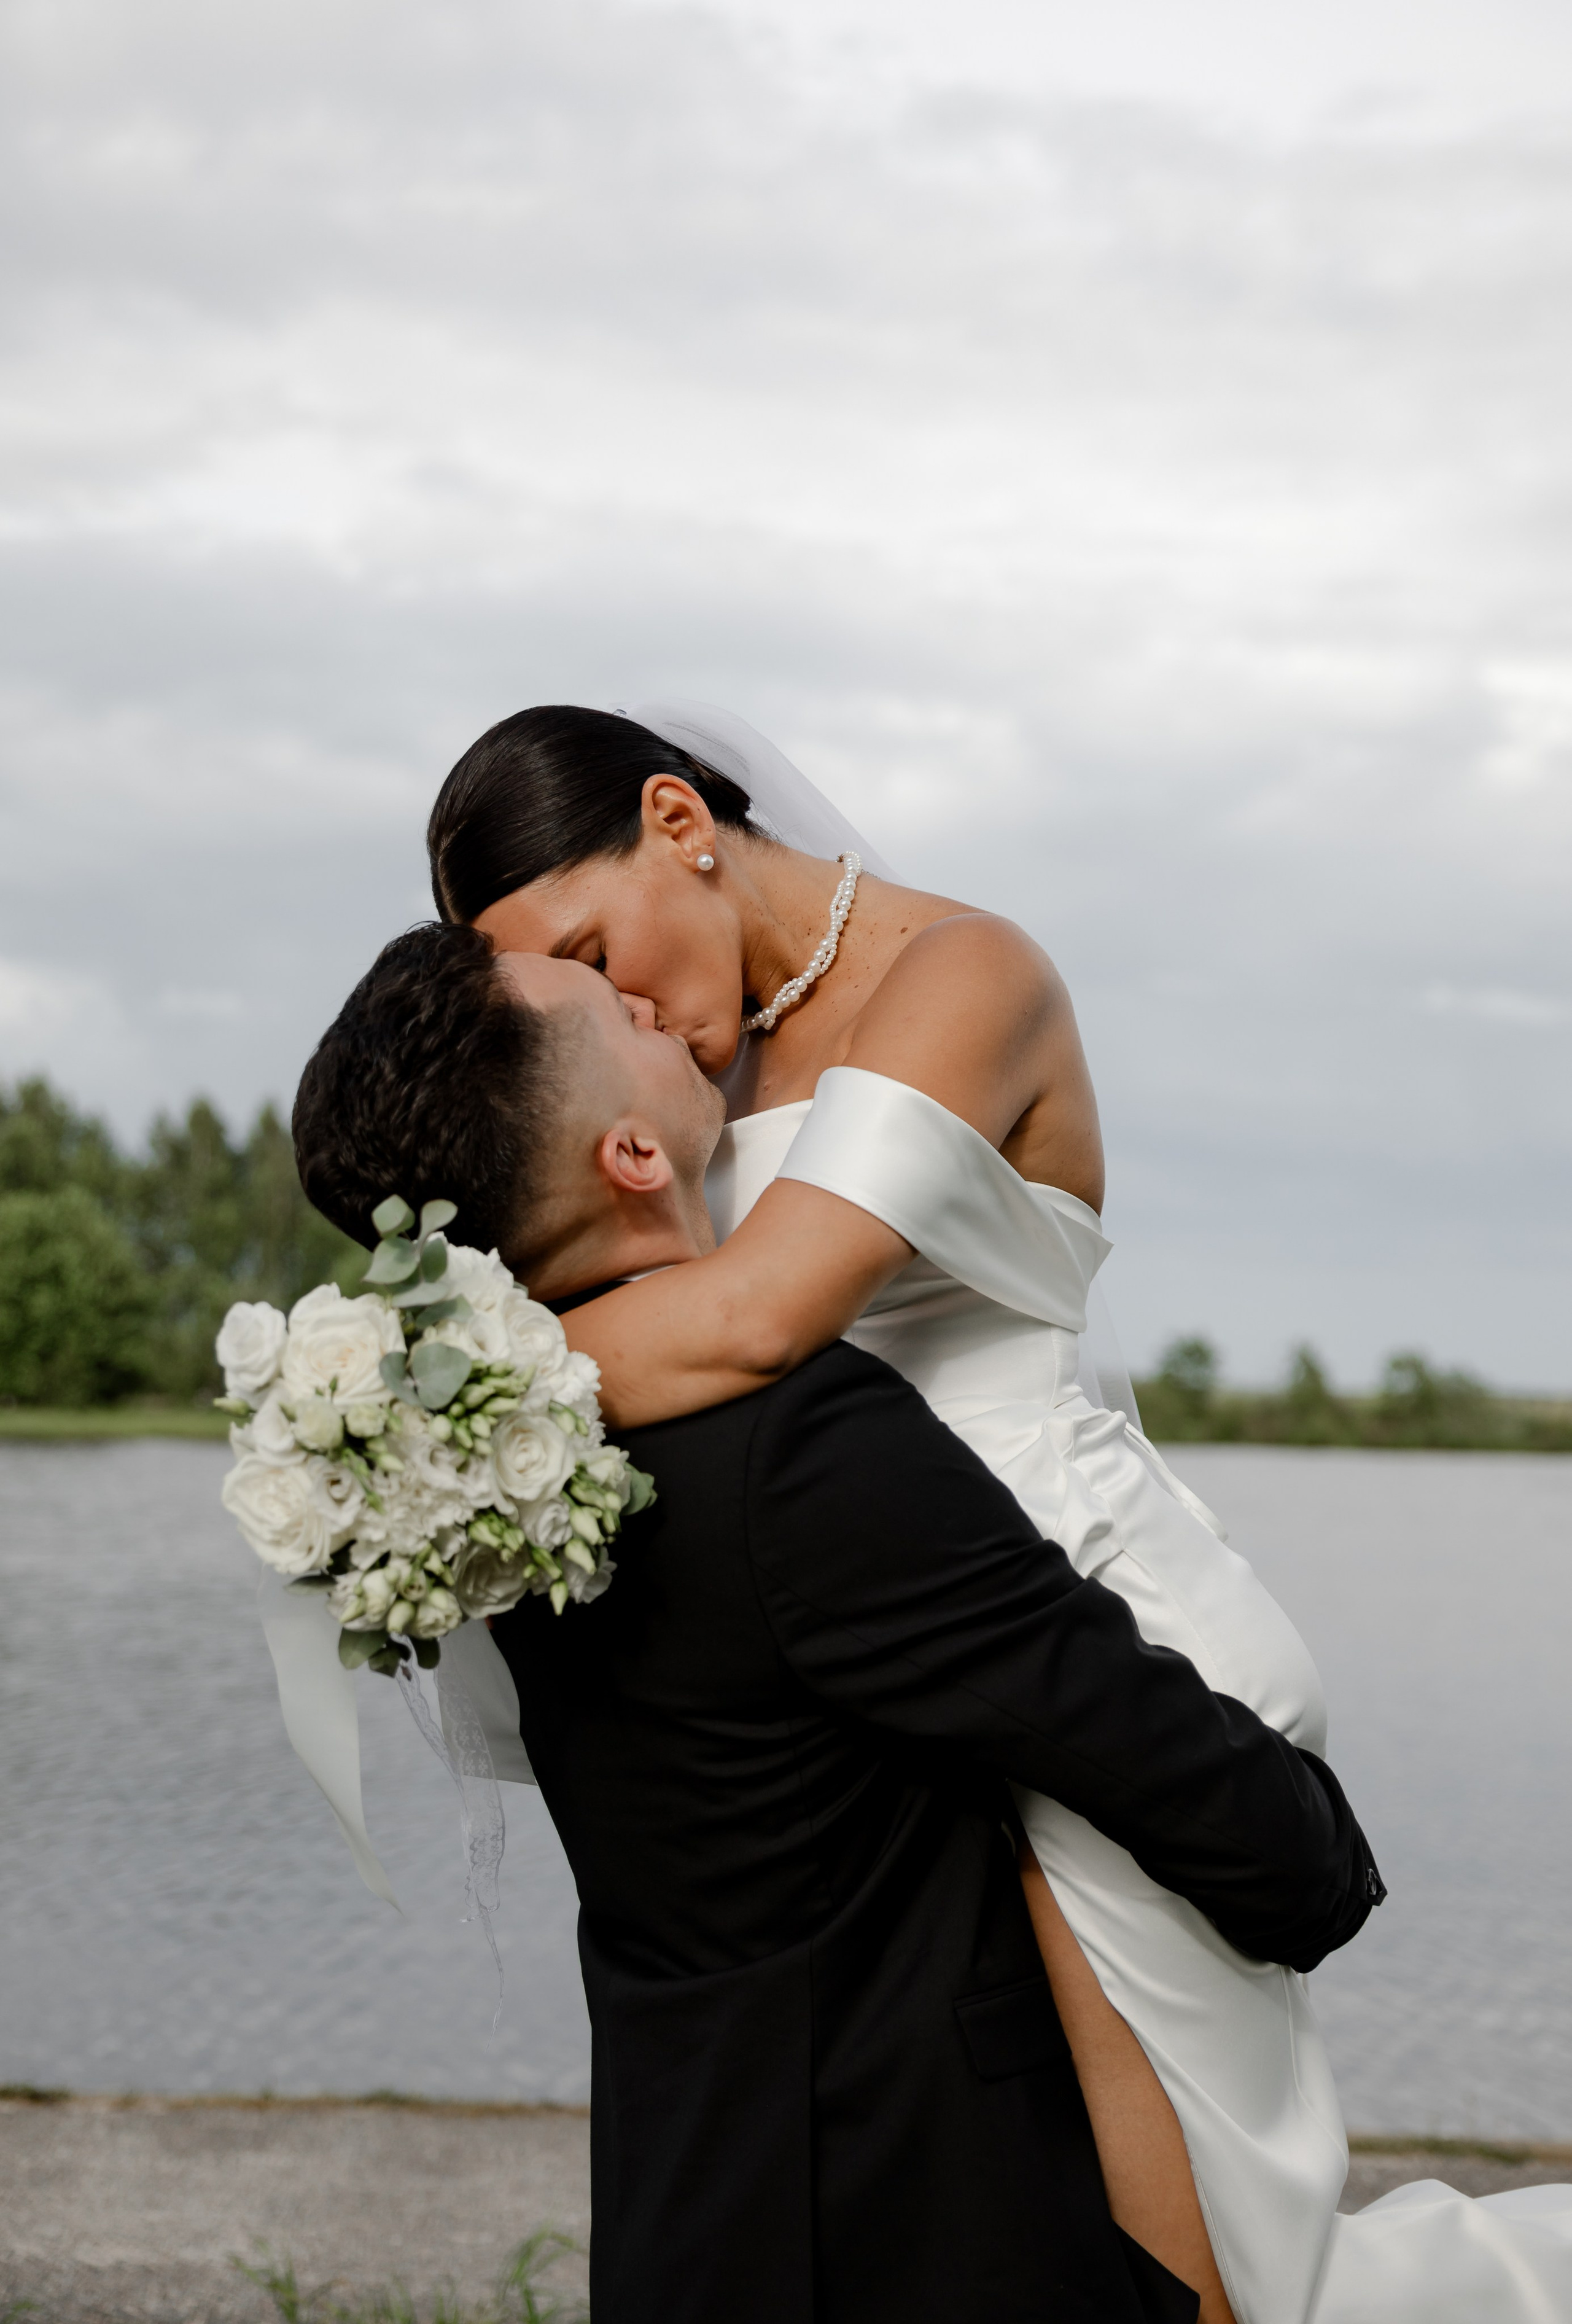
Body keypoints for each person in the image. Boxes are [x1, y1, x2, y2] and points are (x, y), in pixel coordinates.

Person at [421, 701, 1572, 2324]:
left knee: (1221, 2270)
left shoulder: (965, 976)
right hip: (884, 1698)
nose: (620, 1010)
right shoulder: (674, 1069)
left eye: (595, 953)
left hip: (1082, 1636)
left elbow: (759, 1317)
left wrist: (433, 1404)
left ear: (678, 822)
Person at [292, 919, 1382, 2324]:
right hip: (915, 2230)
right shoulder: (788, 1447)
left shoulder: (486, 1486)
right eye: (610, 1008)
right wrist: (1319, 1851)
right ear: (632, 1154)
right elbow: (1131, 1737)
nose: (647, 1003)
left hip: (685, 2212)